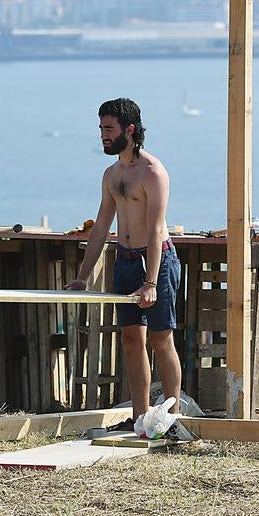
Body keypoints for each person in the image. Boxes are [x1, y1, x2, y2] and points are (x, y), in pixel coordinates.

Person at [66, 98, 182, 434]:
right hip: (126, 260)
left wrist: (150, 282)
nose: (103, 135)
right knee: (132, 340)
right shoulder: (111, 174)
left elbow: (158, 229)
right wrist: (83, 277)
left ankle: (173, 419)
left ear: (129, 130)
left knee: (162, 339)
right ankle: (140, 417)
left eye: (109, 129)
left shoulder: (152, 172)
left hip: (155, 260)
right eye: (101, 128)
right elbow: (102, 225)